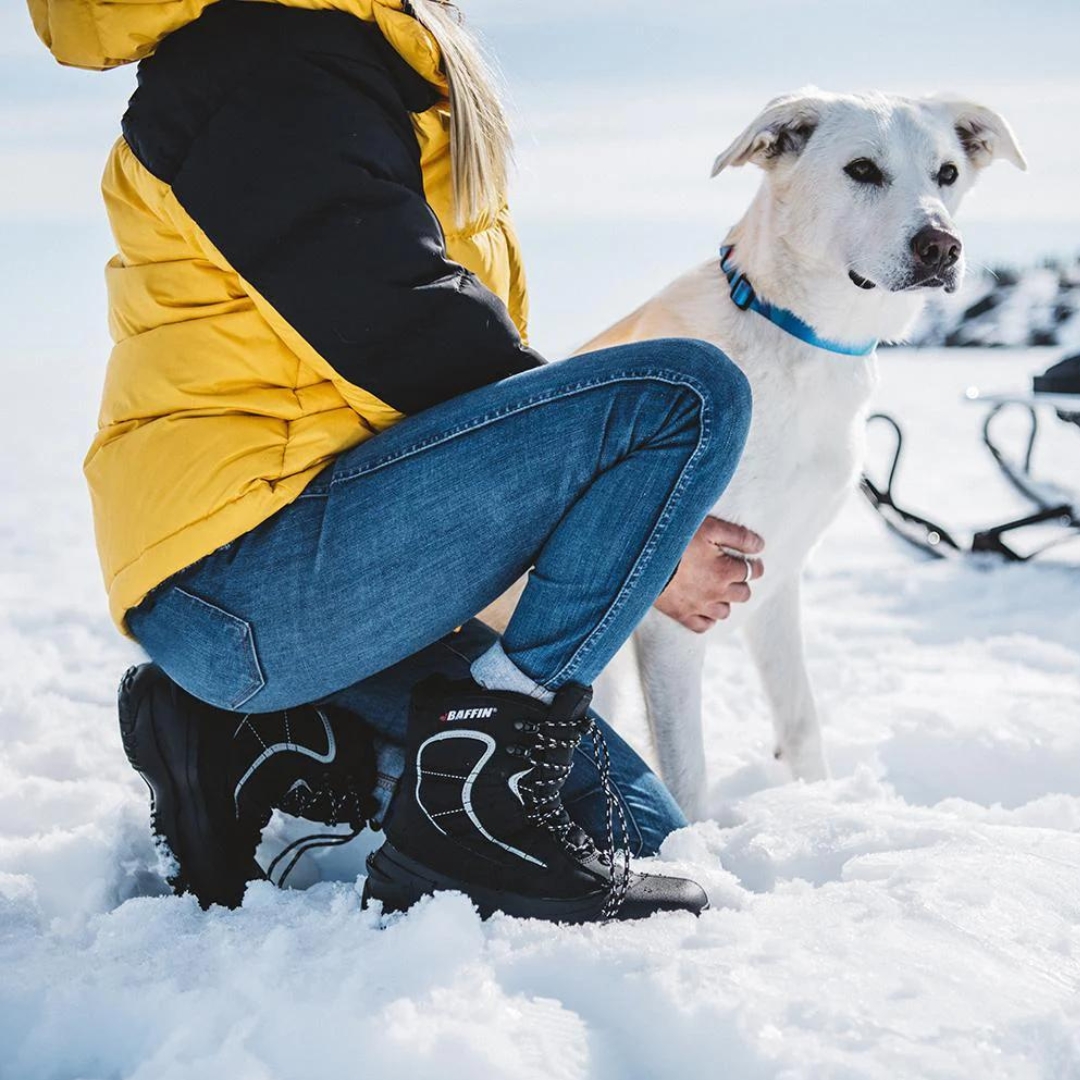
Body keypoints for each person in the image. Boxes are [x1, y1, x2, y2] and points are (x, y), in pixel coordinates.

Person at [31, 0, 763, 922]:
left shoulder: (361, 49)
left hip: (317, 580)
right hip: (256, 571)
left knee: (634, 830)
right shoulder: (270, 51)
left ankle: (254, 738)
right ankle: (471, 807)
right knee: (682, 400)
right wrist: (632, 517)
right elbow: (398, 320)